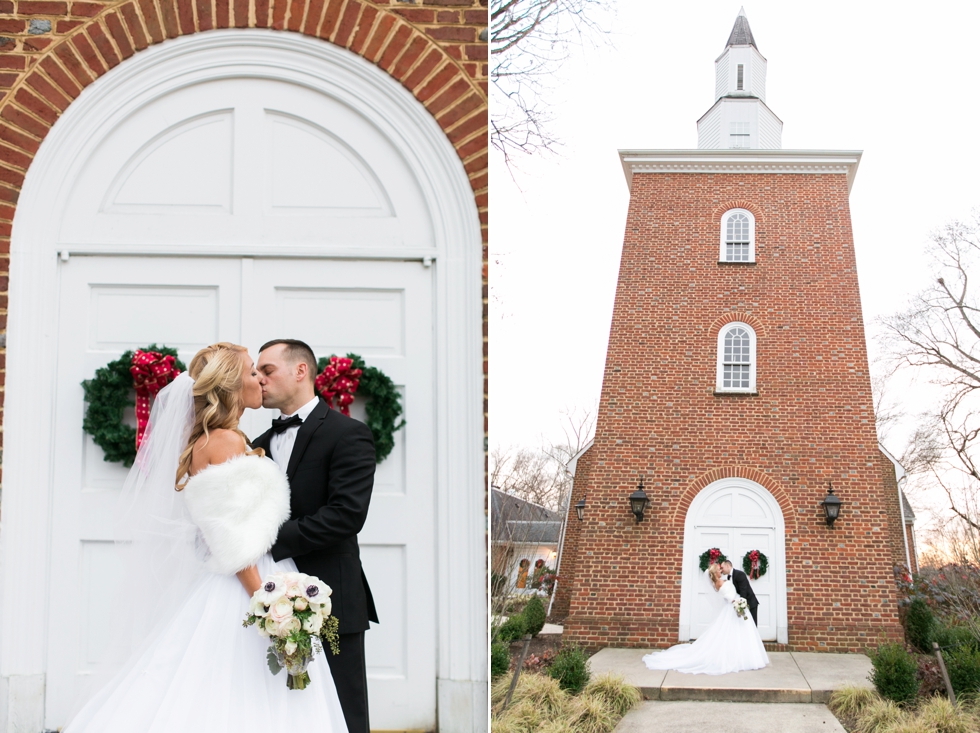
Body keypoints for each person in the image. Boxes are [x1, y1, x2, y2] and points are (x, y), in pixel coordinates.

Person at [65, 342, 350, 731]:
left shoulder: (218, 439)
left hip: (243, 579)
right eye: (253, 372)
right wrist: (269, 606)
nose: (260, 380)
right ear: (232, 384)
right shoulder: (226, 442)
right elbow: (231, 540)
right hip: (247, 584)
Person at [252, 339, 378, 733]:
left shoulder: (348, 434)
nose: (259, 379)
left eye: (267, 370)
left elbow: (345, 515)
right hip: (266, 600)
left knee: (343, 712)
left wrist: (267, 539)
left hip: (331, 600)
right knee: (279, 711)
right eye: (255, 372)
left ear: (300, 371)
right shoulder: (254, 447)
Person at [641, 563, 769, 675]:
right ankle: (737, 657)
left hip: (733, 606)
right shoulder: (720, 583)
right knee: (732, 633)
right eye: (719, 570)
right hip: (733, 606)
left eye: (721, 569)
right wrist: (737, 601)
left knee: (735, 633)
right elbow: (729, 595)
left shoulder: (719, 581)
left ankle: (741, 655)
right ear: (715, 573)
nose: (721, 570)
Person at [721, 559, 759, 626]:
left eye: (722, 568)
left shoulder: (739, 574)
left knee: (752, 625)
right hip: (739, 603)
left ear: (727, 566)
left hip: (750, 603)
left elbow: (743, 590)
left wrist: (741, 605)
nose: (721, 570)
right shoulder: (728, 577)